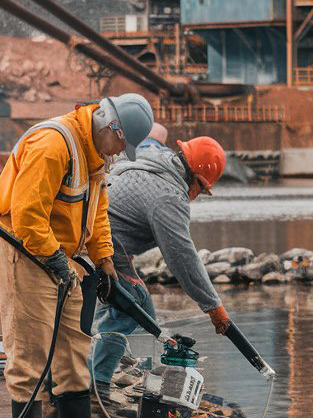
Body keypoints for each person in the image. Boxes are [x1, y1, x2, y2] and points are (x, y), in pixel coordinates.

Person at [0, 93, 154, 418]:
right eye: (120, 145)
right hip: (24, 246)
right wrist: (54, 259)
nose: (117, 154)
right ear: (111, 127)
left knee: (74, 340)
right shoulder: (53, 145)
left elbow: (97, 213)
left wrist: (105, 261)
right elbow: (28, 213)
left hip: (62, 253)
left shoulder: (93, 155)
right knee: (31, 340)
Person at [89, 135, 231, 394]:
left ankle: (91, 357)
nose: (196, 196)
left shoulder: (156, 159)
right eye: (201, 189)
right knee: (130, 305)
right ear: (196, 179)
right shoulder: (170, 197)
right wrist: (214, 307)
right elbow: (182, 257)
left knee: (141, 310)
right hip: (101, 239)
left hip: (95, 231)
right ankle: (93, 387)